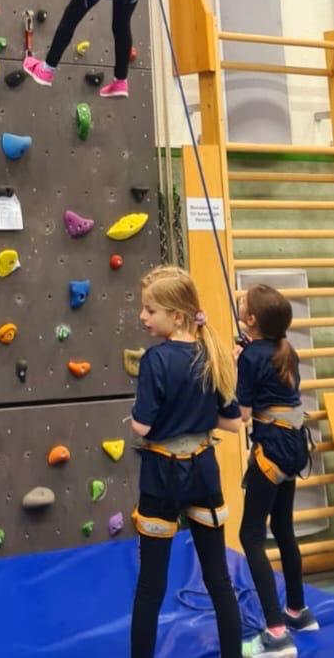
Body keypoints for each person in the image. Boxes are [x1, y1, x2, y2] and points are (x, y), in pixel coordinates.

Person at [130, 266, 243, 658]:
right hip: (203, 471)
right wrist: (194, 411)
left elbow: (143, 426)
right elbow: (232, 422)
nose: (143, 317)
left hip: (163, 475)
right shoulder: (212, 354)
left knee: (151, 585)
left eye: (150, 310)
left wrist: (146, 419)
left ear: (176, 316)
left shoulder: (155, 359)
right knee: (218, 578)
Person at [237, 284, 318, 656]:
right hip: (294, 447)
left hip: (271, 450)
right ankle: (297, 611)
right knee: (283, 527)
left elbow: (242, 414)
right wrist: (246, 353)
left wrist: (238, 366)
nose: (240, 302)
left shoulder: (251, 357)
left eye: (244, 302)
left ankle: (275, 631)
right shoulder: (287, 350)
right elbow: (268, 375)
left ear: (251, 319)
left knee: (251, 535)